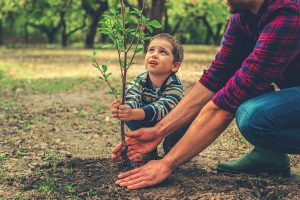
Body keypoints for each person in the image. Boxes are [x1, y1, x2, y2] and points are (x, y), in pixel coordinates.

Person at [112, 0, 300, 189]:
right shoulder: (243, 17)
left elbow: (225, 105)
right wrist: (158, 131)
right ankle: (270, 154)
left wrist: (167, 162)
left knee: (254, 117)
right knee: (247, 84)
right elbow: (216, 77)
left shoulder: (288, 15)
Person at [111, 33, 189, 161]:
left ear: (174, 66)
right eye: (151, 50)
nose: (154, 54)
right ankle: (149, 148)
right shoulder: (141, 79)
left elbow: (163, 107)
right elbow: (132, 95)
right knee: (129, 115)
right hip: (148, 120)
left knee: (186, 120)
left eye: (162, 52)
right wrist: (125, 109)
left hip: (172, 123)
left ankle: (173, 146)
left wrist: (135, 113)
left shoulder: (174, 84)